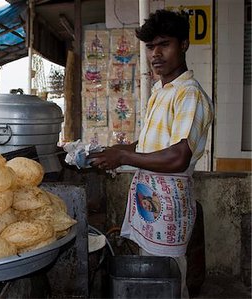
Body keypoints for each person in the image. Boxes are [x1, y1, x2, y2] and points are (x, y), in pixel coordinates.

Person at [89, 10, 213, 298]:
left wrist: (122, 158)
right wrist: (113, 151)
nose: (155, 54)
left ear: (183, 45)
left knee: (168, 277)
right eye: (150, 47)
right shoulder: (160, 90)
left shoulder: (189, 94)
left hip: (169, 204)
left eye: (164, 44)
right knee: (153, 273)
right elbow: (148, 145)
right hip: (151, 198)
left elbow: (177, 156)